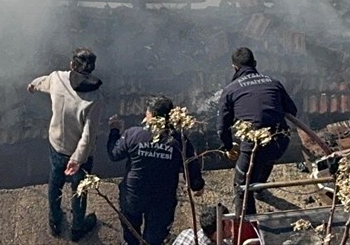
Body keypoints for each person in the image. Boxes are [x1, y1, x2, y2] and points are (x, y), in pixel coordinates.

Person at [108, 96, 204, 245]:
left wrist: (114, 131)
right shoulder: (178, 141)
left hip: (133, 196)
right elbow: (191, 164)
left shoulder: (133, 134)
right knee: (155, 240)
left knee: (130, 234)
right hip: (162, 200)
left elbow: (114, 154)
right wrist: (196, 185)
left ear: (150, 115)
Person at [29, 47, 104, 240]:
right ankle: (78, 227)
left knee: (55, 183)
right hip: (80, 155)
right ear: (92, 69)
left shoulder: (57, 78)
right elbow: (88, 135)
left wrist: (33, 85)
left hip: (57, 146)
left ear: (72, 65)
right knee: (79, 190)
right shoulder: (95, 98)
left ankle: (54, 221)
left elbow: (42, 83)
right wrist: (77, 159)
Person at [218, 46, 297, 214]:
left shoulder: (230, 90)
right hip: (280, 143)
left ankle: (248, 228)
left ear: (235, 67)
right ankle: (260, 188)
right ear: (255, 63)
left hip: (254, 147)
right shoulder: (273, 83)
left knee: (241, 187)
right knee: (266, 157)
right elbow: (292, 110)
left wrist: (228, 147)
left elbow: (222, 127)